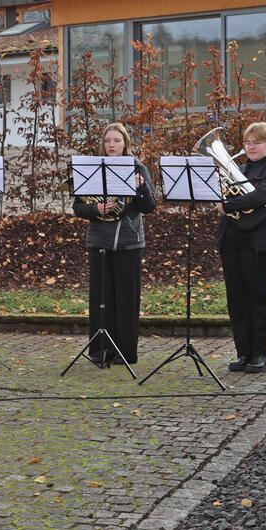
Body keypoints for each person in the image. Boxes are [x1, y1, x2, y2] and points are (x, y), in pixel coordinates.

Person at [71, 122, 156, 367]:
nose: (111, 145)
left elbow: (149, 207)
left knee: (126, 299)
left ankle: (125, 352)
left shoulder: (138, 167)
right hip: (99, 240)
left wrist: (140, 189)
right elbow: (78, 207)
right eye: (108, 141)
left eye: (117, 141)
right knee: (100, 297)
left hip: (129, 241)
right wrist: (95, 208)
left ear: (125, 144)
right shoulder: (92, 168)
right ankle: (100, 350)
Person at [216, 121, 266, 374]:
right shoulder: (237, 170)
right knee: (237, 299)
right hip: (232, 239)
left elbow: (261, 197)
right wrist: (226, 201)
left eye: (257, 142)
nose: (251, 146)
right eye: (247, 142)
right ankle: (243, 352)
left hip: (259, 243)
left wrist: (230, 205)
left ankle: (261, 354)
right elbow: (222, 196)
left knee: (258, 298)